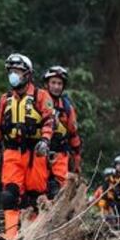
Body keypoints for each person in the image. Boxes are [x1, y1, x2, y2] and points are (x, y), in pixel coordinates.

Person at [0, 53, 55, 240]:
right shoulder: (5, 99)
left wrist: (45, 140)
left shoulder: (41, 96)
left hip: (35, 153)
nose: (13, 75)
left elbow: (49, 121)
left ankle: (33, 234)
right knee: (9, 193)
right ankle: (10, 234)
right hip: (11, 152)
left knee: (35, 196)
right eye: (11, 71)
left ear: (27, 74)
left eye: (17, 71)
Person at [42, 66, 82, 197]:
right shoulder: (37, 101)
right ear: (47, 84)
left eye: (59, 84)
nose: (56, 87)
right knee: (36, 189)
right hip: (39, 153)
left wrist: (76, 162)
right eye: (53, 83)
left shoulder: (66, 107)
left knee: (57, 191)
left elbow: (74, 135)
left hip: (60, 153)